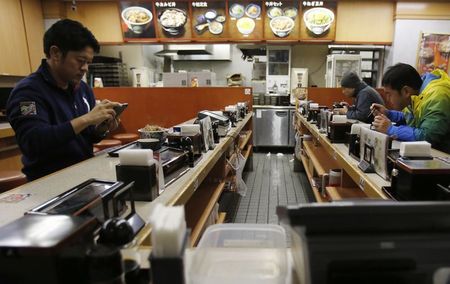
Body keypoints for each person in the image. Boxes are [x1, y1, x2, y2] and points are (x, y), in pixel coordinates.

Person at [7, 19, 121, 181]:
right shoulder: (28, 92)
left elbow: (85, 137)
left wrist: (100, 128)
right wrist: (87, 119)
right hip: (48, 182)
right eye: (81, 61)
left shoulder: (82, 89)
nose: (85, 68)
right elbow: (33, 141)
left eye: (88, 63)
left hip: (84, 175)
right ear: (56, 54)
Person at [371, 63, 450, 153]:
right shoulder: (415, 95)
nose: (387, 99)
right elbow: (410, 116)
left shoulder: (437, 97)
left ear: (406, 91)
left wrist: (391, 129)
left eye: (389, 94)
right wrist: (388, 114)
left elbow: (427, 137)